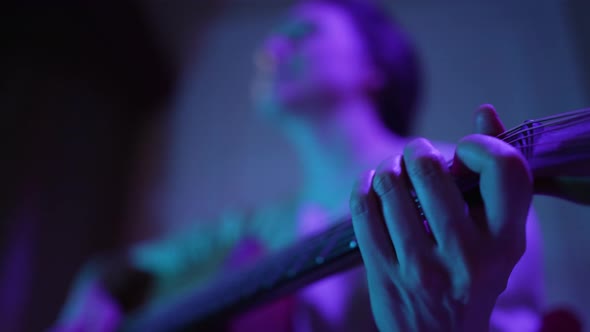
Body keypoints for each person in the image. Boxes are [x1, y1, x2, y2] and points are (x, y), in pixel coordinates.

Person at [50, 0, 544, 331]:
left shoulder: (459, 177)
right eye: (270, 41)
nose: (270, 49)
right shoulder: (258, 227)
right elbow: (117, 272)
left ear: (373, 66)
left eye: (302, 33)